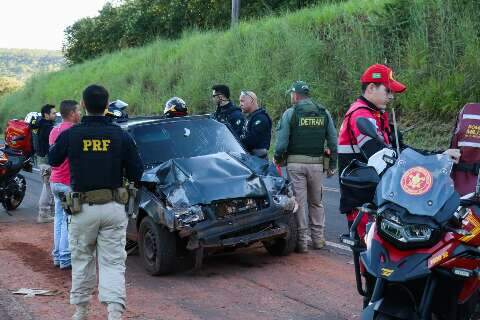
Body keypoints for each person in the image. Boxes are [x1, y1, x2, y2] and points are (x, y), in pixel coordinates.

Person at [49, 85, 143, 320]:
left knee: (82, 260)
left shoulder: (71, 134)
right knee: (112, 263)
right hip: (113, 207)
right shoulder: (120, 134)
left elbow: (53, 158)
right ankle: (114, 313)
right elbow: (137, 172)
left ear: (83, 104)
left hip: (83, 209)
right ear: (107, 104)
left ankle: (81, 311)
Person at [338, 64, 460, 239]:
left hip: (379, 194)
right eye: (388, 91)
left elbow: (401, 151)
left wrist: (439, 155)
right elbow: (381, 156)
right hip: (363, 198)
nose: (391, 96)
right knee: (371, 252)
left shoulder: (375, 115)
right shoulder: (361, 115)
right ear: (371, 88)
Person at [274, 81, 338, 253]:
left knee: (300, 203)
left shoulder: (290, 113)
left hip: (295, 165)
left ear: (295, 95)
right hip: (317, 165)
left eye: (291, 95)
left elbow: (281, 144)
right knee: (316, 202)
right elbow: (333, 141)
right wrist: (332, 163)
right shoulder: (324, 113)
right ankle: (318, 239)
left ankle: (302, 243)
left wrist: (277, 158)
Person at [49, 100, 81, 269]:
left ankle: (57, 255)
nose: (80, 114)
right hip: (68, 183)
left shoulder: (54, 130)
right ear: (72, 113)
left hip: (55, 181)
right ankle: (65, 258)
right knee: (70, 220)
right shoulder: (74, 132)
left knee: (59, 219)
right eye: (78, 111)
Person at [36, 104, 57, 223]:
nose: (55, 115)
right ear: (46, 115)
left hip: (42, 160)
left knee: (48, 185)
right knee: (48, 186)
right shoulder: (47, 128)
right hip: (45, 161)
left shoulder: (43, 125)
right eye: (53, 113)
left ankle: (45, 212)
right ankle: (43, 214)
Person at [238, 90, 272, 158]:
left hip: (259, 160)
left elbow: (252, 140)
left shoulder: (261, 118)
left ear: (252, 101)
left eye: (242, 101)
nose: (240, 104)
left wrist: (237, 141)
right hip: (250, 158)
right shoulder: (251, 117)